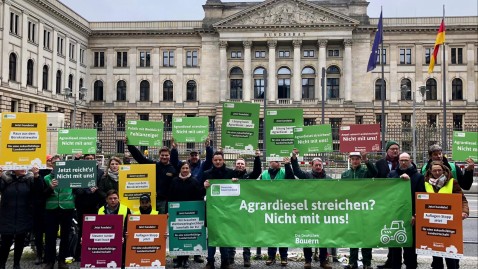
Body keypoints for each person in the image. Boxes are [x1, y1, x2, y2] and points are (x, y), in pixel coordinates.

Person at [290, 150, 332, 269]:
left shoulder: (328, 179)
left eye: (320, 165)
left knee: (323, 237)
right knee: (307, 236)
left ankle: (323, 261)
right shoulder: (307, 176)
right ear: (312, 166)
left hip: (323, 212)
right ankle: (307, 261)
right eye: (316, 165)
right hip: (308, 212)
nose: (318, 167)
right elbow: (297, 171)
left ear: (322, 166)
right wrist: (294, 157)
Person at [424, 161, 469, 269]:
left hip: (450, 223)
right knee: (436, 254)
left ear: (444, 170)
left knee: (451, 254)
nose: (437, 172)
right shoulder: (426, 183)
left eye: (439, 170)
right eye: (435, 170)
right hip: (433, 223)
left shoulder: (452, 182)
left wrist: (464, 212)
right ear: (430, 171)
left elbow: (462, 200)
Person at [0, 167, 44, 269]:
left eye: (24, 167)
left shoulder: (29, 180)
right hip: (7, 217)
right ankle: (2, 264)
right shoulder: (5, 179)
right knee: (5, 243)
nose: (23, 169)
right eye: (20, 167)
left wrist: (37, 176)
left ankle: (17, 264)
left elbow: (39, 191)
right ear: (13, 169)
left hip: (23, 216)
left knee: (20, 242)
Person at [387, 153, 425, 269]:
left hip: (411, 218)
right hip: (395, 216)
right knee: (394, 247)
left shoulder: (418, 177)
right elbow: (387, 194)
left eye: (406, 160)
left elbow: (421, 197)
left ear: (410, 161)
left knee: (410, 248)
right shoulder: (392, 175)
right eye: (401, 160)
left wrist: (415, 214)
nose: (403, 162)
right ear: (398, 161)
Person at [341, 151, 377, 269]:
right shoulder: (345, 174)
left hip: (365, 208)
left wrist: (367, 160)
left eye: (357, 159)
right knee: (353, 236)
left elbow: (375, 173)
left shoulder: (365, 172)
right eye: (353, 159)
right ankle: (352, 262)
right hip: (351, 209)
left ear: (360, 160)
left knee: (366, 236)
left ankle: (367, 262)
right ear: (350, 159)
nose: (355, 161)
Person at [228, 150, 262, 267]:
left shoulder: (249, 176)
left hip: (246, 209)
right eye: (238, 163)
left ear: (245, 166)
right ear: (234, 165)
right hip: (232, 209)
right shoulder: (229, 175)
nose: (240, 165)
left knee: (246, 233)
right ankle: (230, 256)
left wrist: (257, 157)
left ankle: (246, 258)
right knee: (231, 232)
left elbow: (257, 171)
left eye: (242, 164)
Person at [169, 162, 206, 268]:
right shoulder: (174, 181)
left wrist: (204, 188)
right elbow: (170, 196)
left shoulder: (194, 181)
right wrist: (168, 210)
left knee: (187, 237)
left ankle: (185, 259)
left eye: (186, 168)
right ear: (180, 169)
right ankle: (178, 259)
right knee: (177, 235)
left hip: (190, 214)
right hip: (176, 213)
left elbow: (199, 195)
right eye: (183, 168)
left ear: (189, 169)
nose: (185, 170)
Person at [260, 157, 295, 267]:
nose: (279, 163)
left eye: (280, 161)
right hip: (269, 207)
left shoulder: (284, 171)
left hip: (282, 206)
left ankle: (284, 256)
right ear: (270, 162)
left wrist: (287, 164)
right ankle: (271, 256)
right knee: (271, 232)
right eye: (276, 161)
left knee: (283, 232)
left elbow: (291, 180)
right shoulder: (264, 174)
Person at [203, 151, 235, 269]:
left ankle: (225, 261)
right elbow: (199, 191)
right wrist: (204, 186)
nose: (217, 162)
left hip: (226, 211)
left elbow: (239, 189)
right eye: (215, 160)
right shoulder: (206, 174)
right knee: (211, 237)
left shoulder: (231, 173)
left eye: (219, 160)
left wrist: (236, 182)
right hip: (211, 211)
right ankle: (210, 261)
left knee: (224, 237)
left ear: (223, 160)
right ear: (212, 161)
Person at [42, 155, 76, 269]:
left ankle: (62, 261)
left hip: (67, 209)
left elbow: (77, 191)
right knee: (50, 236)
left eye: (59, 163)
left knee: (65, 236)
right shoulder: (46, 178)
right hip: (51, 210)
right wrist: (50, 187)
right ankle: (49, 261)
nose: (56, 165)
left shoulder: (70, 176)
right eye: (54, 163)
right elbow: (42, 195)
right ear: (51, 164)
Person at [127, 142, 176, 214]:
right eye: (162, 155)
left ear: (169, 156)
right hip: (150, 201)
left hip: (164, 202)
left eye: (166, 155)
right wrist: (130, 145)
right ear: (159, 155)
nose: (164, 157)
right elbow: (140, 158)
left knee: (162, 222)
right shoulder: (154, 165)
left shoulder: (173, 169)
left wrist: (174, 149)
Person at [74, 154, 105, 261]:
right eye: (87, 159)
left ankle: (92, 251)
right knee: (81, 229)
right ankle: (79, 253)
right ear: (84, 159)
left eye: (92, 158)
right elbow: (74, 185)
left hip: (94, 205)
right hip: (81, 204)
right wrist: (82, 190)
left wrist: (95, 190)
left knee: (93, 229)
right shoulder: (78, 170)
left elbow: (100, 188)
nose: (90, 160)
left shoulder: (100, 172)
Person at [375, 141, 400, 269]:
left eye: (397, 149)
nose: (395, 151)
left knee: (399, 232)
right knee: (390, 231)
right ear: (387, 150)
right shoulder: (380, 163)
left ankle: (398, 262)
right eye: (392, 149)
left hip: (400, 201)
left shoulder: (405, 162)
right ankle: (390, 261)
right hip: (385, 201)